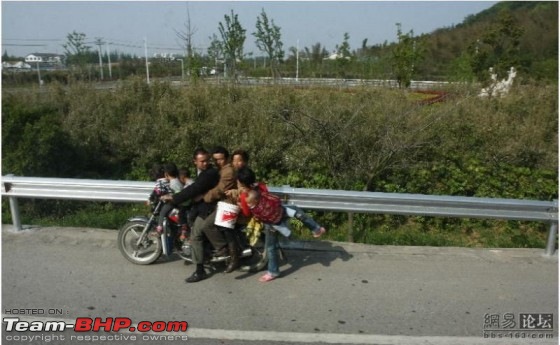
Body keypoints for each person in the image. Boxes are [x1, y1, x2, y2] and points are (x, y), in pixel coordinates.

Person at [234, 167, 326, 282]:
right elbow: (269, 198)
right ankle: (316, 228)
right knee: (297, 211)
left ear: (241, 182)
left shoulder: (244, 196)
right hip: (281, 211)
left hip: (271, 223)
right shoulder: (261, 186)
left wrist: (241, 205)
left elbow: (247, 213)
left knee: (271, 247)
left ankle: (273, 272)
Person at [161, 148, 228, 283]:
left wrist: (174, 198)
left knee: (196, 235)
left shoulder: (209, 173)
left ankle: (200, 270)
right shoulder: (203, 172)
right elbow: (195, 189)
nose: (205, 163)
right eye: (202, 161)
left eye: (206, 160)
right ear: (195, 162)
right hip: (206, 206)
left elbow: (195, 188)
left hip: (209, 207)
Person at [203, 146, 239, 273]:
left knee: (207, 225)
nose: (218, 162)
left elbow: (219, 190)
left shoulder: (228, 171)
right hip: (222, 203)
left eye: (221, 159)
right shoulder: (222, 169)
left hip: (228, 204)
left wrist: (205, 197)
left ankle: (227, 253)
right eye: (216, 160)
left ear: (227, 158)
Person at [155, 163, 183, 235]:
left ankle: (160, 227)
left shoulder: (173, 182)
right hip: (176, 202)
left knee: (162, 212)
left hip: (175, 203)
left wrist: (166, 197)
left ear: (166, 174)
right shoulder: (176, 180)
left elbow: (178, 194)